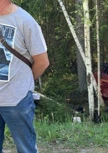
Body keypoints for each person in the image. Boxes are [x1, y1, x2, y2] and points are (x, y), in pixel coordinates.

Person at [0, 0, 49, 152]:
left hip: (17, 100)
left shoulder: (26, 21)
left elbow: (42, 62)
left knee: (25, 149)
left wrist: (23, 82)